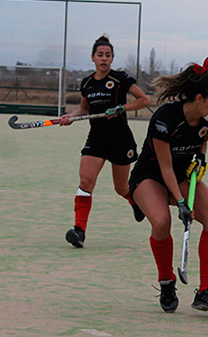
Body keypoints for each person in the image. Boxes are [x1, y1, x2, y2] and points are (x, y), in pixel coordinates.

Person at [128, 56, 208, 313]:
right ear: (199, 98)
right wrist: (182, 203)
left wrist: (201, 157)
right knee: (162, 222)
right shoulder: (165, 118)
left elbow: (202, 139)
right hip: (150, 176)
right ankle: (166, 281)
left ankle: (206, 290)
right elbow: (164, 167)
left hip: (182, 175)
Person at [59, 35, 150, 248]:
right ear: (92, 58)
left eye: (108, 55)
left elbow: (144, 100)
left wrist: (121, 108)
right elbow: (84, 108)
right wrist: (70, 117)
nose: (104, 58)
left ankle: (135, 201)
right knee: (86, 182)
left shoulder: (120, 79)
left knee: (121, 188)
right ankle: (79, 231)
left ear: (112, 58)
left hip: (120, 140)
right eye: (100, 55)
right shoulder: (88, 83)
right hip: (97, 139)